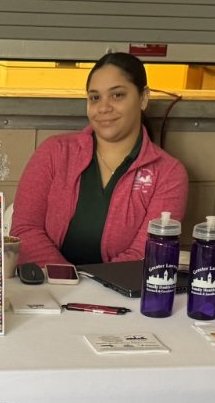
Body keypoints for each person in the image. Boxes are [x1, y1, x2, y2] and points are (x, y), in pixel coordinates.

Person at [11, 53, 189, 266]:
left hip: (119, 294)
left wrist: (92, 289)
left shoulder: (168, 174)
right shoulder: (55, 152)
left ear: (143, 98)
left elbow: (146, 253)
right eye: (95, 97)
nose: (103, 108)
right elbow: (25, 229)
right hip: (48, 287)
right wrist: (67, 279)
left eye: (117, 95)